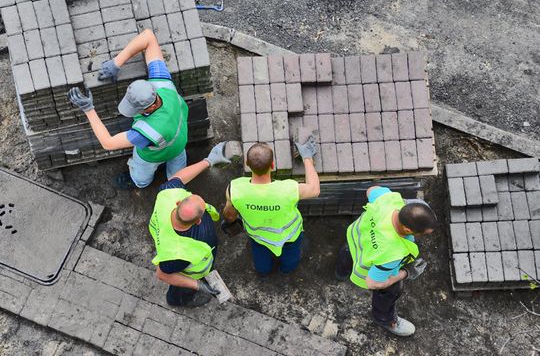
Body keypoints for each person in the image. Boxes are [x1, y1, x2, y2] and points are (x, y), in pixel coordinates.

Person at [68, 29, 189, 190]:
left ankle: (140, 184)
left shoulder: (146, 133)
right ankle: (175, 185)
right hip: (179, 145)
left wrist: (88, 109)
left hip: (152, 156)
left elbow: (108, 143)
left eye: (136, 110)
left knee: (141, 176)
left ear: (151, 106)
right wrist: (117, 62)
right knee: (177, 179)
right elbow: (148, 37)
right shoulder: (163, 84)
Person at [335, 186, 437, 336]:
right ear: (408, 230)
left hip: (355, 242)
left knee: (347, 254)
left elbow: (370, 190)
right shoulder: (392, 253)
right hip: (370, 264)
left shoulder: (389, 200)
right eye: (423, 233)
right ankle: (384, 318)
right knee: (391, 291)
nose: (424, 235)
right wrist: (406, 272)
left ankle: (340, 273)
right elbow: (373, 283)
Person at [222, 137, 320, 277]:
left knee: (261, 261)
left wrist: (230, 219)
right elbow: (314, 190)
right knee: (291, 259)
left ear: (247, 164)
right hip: (289, 236)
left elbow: (230, 215)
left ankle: (263, 274)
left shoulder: (235, 188)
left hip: (259, 237)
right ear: (272, 165)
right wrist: (307, 158)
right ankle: (286, 271)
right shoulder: (288, 188)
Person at [149, 142, 231, 308]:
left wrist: (208, 161)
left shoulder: (167, 194)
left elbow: (179, 178)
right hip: (190, 270)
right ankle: (178, 300)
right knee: (181, 289)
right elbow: (163, 274)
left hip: (170, 244)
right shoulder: (177, 255)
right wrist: (198, 285)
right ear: (198, 221)